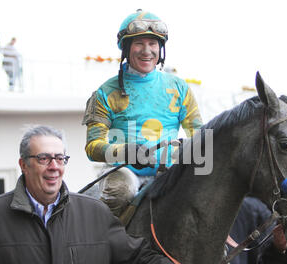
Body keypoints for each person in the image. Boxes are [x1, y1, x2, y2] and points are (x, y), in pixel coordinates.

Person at [0, 125, 214, 264]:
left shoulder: (95, 215)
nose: (54, 166)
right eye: (44, 158)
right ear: (23, 165)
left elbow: (137, 261)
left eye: (60, 158)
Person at [82, 9, 203, 217]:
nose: (147, 51)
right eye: (139, 43)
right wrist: (126, 152)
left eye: (153, 44)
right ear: (126, 49)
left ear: (160, 48)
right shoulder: (105, 93)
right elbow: (92, 147)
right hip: (123, 173)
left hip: (169, 173)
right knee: (121, 191)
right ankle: (109, 245)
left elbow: (201, 136)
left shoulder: (180, 88)